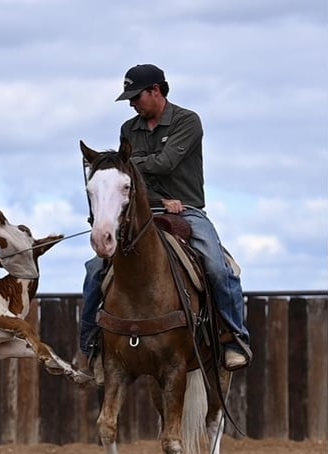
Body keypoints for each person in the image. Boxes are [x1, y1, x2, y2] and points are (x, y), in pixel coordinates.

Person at [78, 63, 252, 372]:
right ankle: (92, 344)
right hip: (141, 211)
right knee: (95, 269)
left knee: (217, 266)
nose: (132, 104)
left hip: (187, 209)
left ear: (156, 91)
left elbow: (165, 163)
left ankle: (234, 338)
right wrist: (147, 191)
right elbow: (129, 178)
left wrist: (122, 166)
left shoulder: (187, 121)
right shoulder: (128, 129)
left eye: (136, 97)